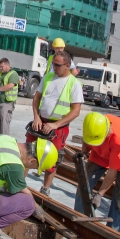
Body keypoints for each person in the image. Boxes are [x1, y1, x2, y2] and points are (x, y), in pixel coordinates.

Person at [28, 49, 83, 196]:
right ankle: (19, 183)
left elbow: (76, 111)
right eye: (53, 64)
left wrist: (56, 125)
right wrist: (36, 117)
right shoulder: (48, 77)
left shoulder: (74, 84)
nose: (54, 67)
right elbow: (36, 98)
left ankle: (45, 188)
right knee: (28, 151)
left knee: (52, 158)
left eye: (57, 65)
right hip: (41, 121)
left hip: (58, 126)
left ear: (67, 65)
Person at [74, 112, 120, 231]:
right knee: (84, 184)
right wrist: (84, 153)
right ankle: (80, 222)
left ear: (107, 132)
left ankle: (113, 231)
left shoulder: (118, 139)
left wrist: (99, 195)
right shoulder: (92, 125)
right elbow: (86, 140)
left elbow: (112, 173)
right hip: (100, 155)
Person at [0, 58, 19, 136]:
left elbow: (10, 85)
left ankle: (4, 141)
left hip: (7, 103)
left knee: (4, 123)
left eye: (2, 66)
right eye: (0, 66)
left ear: (7, 65)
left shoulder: (13, 74)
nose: (0, 68)